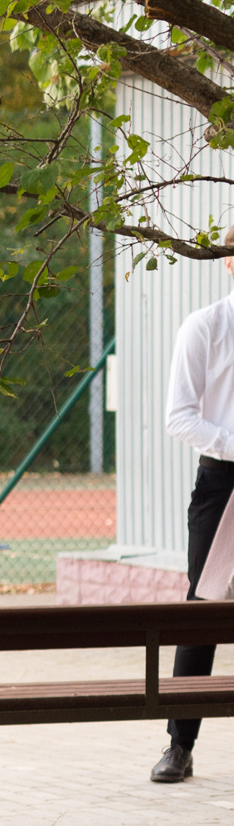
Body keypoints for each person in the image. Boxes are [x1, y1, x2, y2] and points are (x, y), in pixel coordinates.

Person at [158, 260, 234, 784]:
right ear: (228, 261)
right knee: (203, 611)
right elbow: (179, 416)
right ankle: (179, 745)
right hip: (223, 482)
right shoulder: (205, 326)